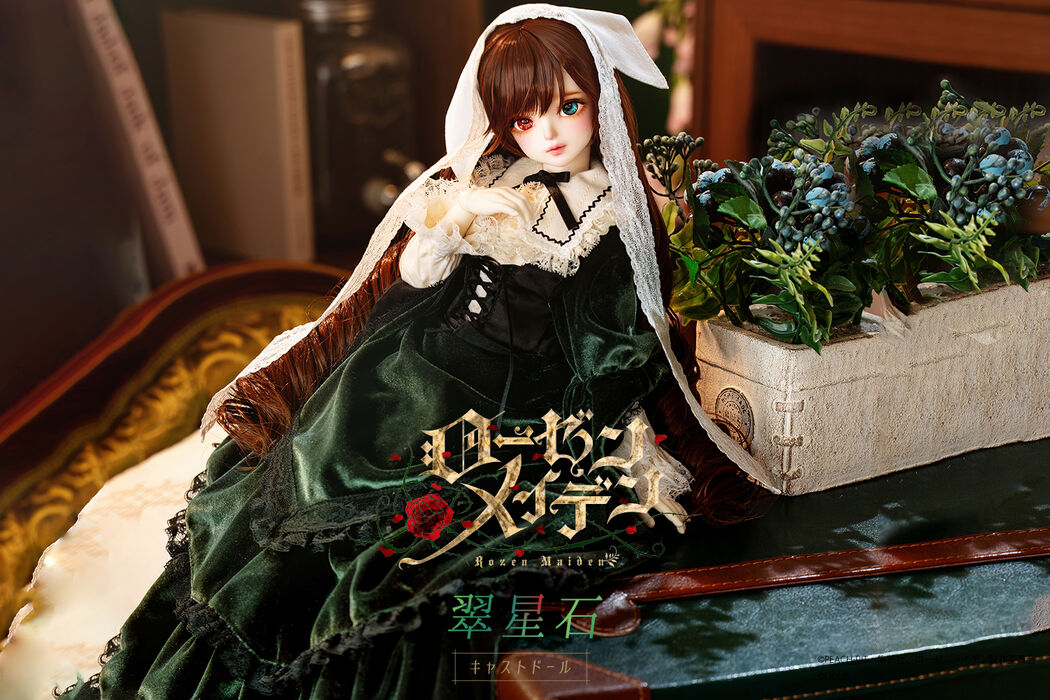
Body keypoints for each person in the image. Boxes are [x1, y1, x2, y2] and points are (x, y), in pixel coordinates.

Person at [59, 5, 768, 699]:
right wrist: (442, 236)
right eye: (523, 120)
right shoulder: (488, 181)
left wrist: (611, 414)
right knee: (311, 478)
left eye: (568, 107)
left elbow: (617, 336)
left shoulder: (617, 212)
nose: (548, 133)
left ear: (603, 100)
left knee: (426, 545)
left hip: (525, 402)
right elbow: (413, 284)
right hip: (416, 368)